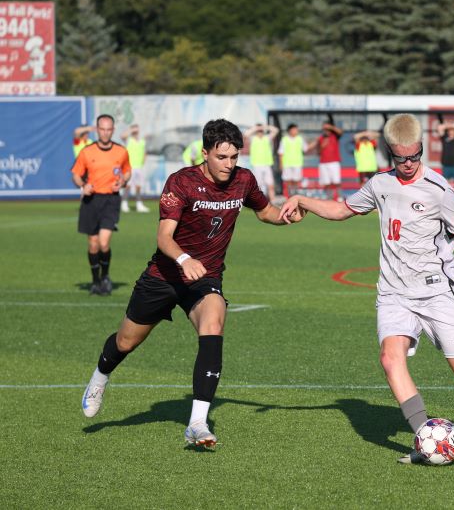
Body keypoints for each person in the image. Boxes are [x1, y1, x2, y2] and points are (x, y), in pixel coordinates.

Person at [278, 114, 454, 464]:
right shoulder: (379, 183)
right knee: (391, 360)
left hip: (437, 291)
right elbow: (342, 209)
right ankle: (425, 440)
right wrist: (303, 200)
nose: (407, 164)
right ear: (389, 152)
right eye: (400, 158)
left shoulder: (440, 191)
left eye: (414, 156)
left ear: (422, 149)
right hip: (393, 292)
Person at [79, 119, 304, 449]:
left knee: (214, 323)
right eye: (222, 157)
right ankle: (100, 376)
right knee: (126, 342)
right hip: (165, 276)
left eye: (234, 157)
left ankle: (197, 423)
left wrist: (285, 217)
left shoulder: (243, 180)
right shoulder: (181, 182)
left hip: (206, 277)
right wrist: (185, 260)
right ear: (205, 153)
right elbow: (164, 237)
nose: (229, 164)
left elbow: (265, 210)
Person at [71, 114, 131, 296]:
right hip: (91, 201)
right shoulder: (87, 151)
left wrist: (122, 182)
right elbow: (75, 174)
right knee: (93, 244)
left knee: (104, 243)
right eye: (102, 129)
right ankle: (95, 281)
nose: (105, 133)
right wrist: (83, 185)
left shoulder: (121, 151)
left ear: (113, 130)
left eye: (109, 129)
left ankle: (105, 276)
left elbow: (127, 171)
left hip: (111, 200)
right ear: (97, 130)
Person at [307, 121, 344, 201]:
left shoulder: (335, 136)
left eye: (327, 129)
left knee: (336, 181)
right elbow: (318, 152)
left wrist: (330, 127)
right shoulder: (320, 138)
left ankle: (340, 197)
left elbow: (341, 132)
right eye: (324, 129)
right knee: (326, 182)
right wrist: (322, 146)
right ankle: (329, 197)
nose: (326, 131)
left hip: (334, 163)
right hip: (323, 163)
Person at [245, 123, 279, 203]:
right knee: (258, 185)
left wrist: (264, 127)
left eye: (261, 131)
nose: (260, 132)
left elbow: (276, 130)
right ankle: (258, 201)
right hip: (257, 165)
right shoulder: (253, 138)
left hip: (267, 165)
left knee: (270, 184)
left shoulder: (267, 138)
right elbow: (246, 134)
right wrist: (256, 128)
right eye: (258, 131)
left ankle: (273, 201)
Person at [120, 124, 149, 213]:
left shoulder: (142, 141)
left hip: (139, 167)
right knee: (128, 186)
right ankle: (124, 204)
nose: (136, 131)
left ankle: (139, 204)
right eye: (135, 130)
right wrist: (131, 130)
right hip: (130, 167)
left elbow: (144, 152)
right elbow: (122, 136)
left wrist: (143, 162)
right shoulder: (129, 140)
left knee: (138, 186)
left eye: (137, 130)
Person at [278, 123, 308, 197]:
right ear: (290, 130)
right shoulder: (284, 139)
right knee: (288, 180)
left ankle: (295, 194)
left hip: (297, 163)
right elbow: (281, 152)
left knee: (296, 180)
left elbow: (306, 149)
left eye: (296, 130)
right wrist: (281, 164)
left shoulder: (300, 139)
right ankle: (289, 195)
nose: (296, 131)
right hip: (287, 164)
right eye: (294, 130)